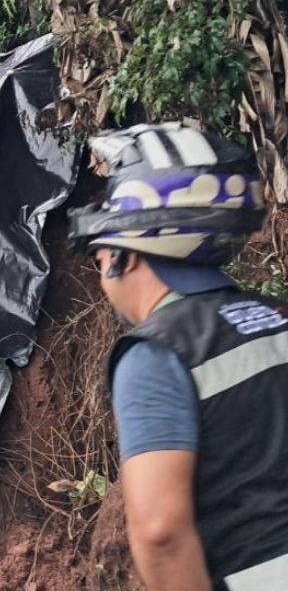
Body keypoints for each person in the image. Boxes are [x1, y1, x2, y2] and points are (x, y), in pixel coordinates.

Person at [69, 123, 288, 591]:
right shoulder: (277, 316)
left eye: (101, 251)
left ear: (126, 254)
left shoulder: (157, 353)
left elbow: (160, 532)